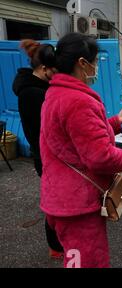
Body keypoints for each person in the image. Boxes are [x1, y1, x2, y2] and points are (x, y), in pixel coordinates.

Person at [40, 32, 122, 268]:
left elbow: (76, 139)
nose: (96, 67)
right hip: (77, 206)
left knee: (75, 259)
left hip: (61, 197)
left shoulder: (56, 93)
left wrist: (117, 120)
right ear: (82, 64)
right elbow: (100, 156)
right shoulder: (79, 101)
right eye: (95, 62)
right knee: (88, 262)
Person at [12, 39, 64, 259]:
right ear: (43, 69)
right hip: (46, 157)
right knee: (56, 203)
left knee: (59, 200)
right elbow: (43, 131)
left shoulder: (40, 88)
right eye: (55, 71)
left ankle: (58, 243)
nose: (58, 75)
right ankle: (56, 246)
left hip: (49, 155)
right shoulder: (33, 94)